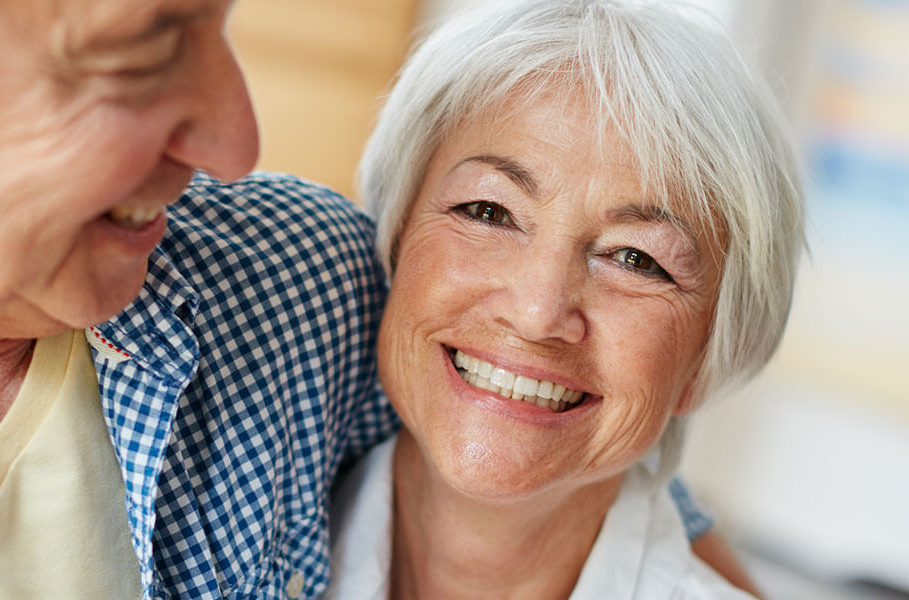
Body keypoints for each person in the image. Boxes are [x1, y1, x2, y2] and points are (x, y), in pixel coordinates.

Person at [0, 0, 748, 599]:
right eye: (136, 50)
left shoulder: (287, 272)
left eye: (214, 23)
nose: (236, 141)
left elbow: (560, 421)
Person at [326, 0, 804, 598]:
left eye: (636, 259)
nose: (536, 312)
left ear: (713, 355)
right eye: (489, 211)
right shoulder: (215, 538)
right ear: (395, 241)